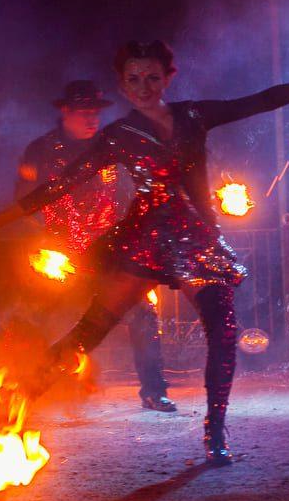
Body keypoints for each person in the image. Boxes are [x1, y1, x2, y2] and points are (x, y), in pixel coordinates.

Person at [0, 41, 289, 464]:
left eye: (152, 77)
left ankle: (215, 429)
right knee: (90, 331)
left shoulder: (194, 116)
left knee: (224, 331)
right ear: (122, 85)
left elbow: (261, 100)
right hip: (145, 241)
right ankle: (15, 402)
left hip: (196, 241)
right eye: (133, 79)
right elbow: (60, 185)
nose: (143, 87)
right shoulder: (119, 135)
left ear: (168, 78)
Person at [16, 79, 175, 412]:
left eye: (95, 112)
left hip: (110, 254)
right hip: (61, 255)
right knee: (44, 319)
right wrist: (41, 243)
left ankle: (154, 390)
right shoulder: (40, 151)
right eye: (83, 112)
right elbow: (23, 203)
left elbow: (133, 193)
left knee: (143, 314)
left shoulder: (112, 146)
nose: (91, 119)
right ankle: (31, 389)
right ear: (65, 112)